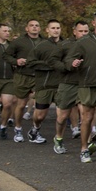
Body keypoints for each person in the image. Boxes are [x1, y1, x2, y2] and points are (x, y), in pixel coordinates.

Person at [65, 11, 96, 162]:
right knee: (87, 117)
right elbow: (69, 58)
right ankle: (84, 148)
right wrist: (73, 63)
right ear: (94, 23)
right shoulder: (84, 41)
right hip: (88, 83)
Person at [4, 19, 44, 142]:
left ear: (40, 28)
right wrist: (16, 61)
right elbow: (6, 55)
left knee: (41, 104)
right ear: (27, 28)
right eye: (31, 25)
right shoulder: (18, 42)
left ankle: (35, 130)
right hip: (23, 75)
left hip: (39, 75)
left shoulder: (44, 42)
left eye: (37, 25)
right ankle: (18, 129)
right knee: (21, 104)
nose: (34, 27)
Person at [53, 21, 89, 148]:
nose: (84, 34)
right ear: (74, 32)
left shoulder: (92, 44)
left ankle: (85, 145)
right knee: (63, 116)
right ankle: (58, 138)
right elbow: (53, 61)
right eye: (81, 31)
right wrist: (68, 66)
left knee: (86, 115)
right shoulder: (65, 45)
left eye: (86, 31)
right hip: (68, 83)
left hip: (85, 84)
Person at [29, 19, 64, 147]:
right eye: (53, 28)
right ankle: (35, 128)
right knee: (39, 116)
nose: (56, 30)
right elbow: (30, 62)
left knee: (62, 116)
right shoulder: (41, 46)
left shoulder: (65, 45)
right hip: (44, 85)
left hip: (61, 85)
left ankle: (59, 139)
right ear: (47, 30)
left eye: (58, 28)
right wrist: (49, 65)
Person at [0, 23, 16, 139]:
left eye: (8, 31)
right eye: (5, 31)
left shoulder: (12, 46)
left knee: (7, 105)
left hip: (9, 79)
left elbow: (16, 60)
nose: (7, 33)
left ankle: (3, 126)